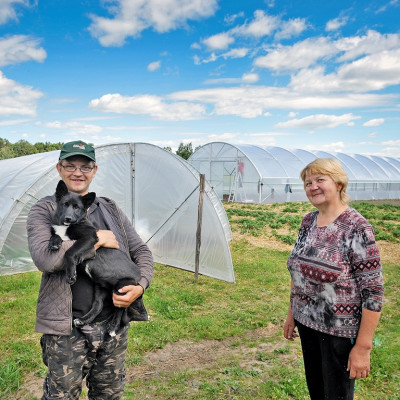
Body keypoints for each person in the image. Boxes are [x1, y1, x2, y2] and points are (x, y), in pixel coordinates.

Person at [26, 140, 154, 400]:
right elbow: (46, 259)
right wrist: (97, 240)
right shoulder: (45, 209)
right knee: (61, 396)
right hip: (66, 331)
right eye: (70, 165)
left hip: (112, 323)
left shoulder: (109, 208)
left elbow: (141, 251)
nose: (77, 172)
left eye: (85, 167)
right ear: (59, 169)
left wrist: (140, 285)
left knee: (108, 395)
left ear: (94, 171)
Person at [283, 158, 384, 400]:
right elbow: (299, 274)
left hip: (339, 334)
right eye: (308, 183)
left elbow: (373, 292)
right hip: (307, 325)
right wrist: (291, 315)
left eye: (320, 180)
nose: (313, 187)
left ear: (338, 184)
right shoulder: (308, 222)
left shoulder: (356, 228)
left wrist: (362, 347)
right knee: (317, 391)